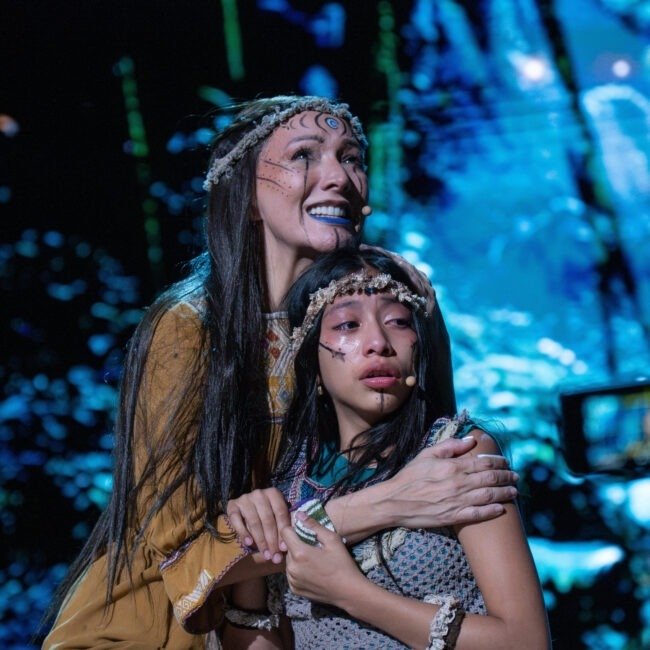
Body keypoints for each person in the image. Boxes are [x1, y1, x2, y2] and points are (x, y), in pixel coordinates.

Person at [43, 96, 519, 649]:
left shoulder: (390, 305)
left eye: (352, 158)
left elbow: (437, 474)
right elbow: (180, 553)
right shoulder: (190, 328)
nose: (338, 177)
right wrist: (389, 501)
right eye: (304, 155)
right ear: (245, 195)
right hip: (158, 630)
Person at [224, 247, 550, 649]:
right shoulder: (288, 482)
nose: (378, 342)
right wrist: (251, 569)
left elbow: (526, 641)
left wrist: (350, 593)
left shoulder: (457, 453)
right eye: (348, 324)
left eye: (398, 321)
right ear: (312, 362)